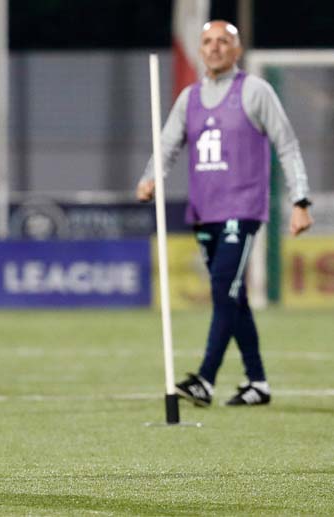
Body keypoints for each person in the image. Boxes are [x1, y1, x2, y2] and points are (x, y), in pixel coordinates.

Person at [137, 20, 313, 407]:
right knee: (233, 296)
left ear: (237, 50)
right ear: (200, 50)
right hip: (205, 212)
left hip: (242, 208)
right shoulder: (190, 98)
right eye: (207, 42)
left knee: (222, 289)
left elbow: (287, 145)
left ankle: (205, 379)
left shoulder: (255, 91)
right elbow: (167, 145)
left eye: (223, 41)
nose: (214, 48)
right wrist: (151, 178)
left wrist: (300, 201)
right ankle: (257, 383)